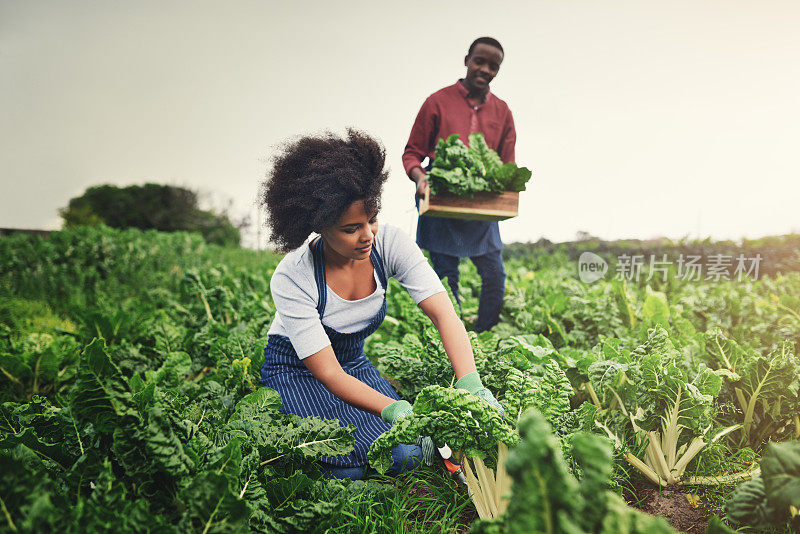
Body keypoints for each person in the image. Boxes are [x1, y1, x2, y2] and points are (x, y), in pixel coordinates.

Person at [259, 129, 503, 480]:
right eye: (351, 228)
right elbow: (327, 372)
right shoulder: (293, 276)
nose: (368, 236)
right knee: (346, 469)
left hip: (352, 365)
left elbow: (443, 312)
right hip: (298, 369)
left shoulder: (389, 244)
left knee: (409, 455)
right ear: (320, 226)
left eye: (372, 219)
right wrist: (392, 408)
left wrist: (471, 383)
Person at [403, 37, 515, 333]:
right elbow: (413, 152)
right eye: (480, 61)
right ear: (467, 60)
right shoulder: (437, 101)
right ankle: (451, 335)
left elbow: (507, 165)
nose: (485, 69)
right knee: (444, 275)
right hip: (442, 198)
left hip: (481, 204)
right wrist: (420, 177)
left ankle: (483, 335)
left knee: (494, 274)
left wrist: (504, 187)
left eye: (493, 66)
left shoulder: (502, 112)